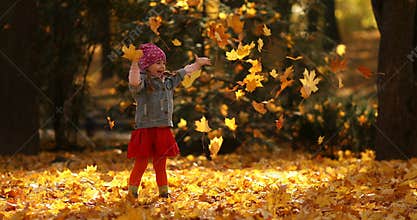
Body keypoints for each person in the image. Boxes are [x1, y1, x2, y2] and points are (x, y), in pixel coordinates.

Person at [126, 43, 211, 199]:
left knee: (160, 163)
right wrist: (135, 63)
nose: (162, 65)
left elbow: (184, 72)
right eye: (157, 62)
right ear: (147, 65)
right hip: (145, 126)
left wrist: (198, 64)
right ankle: (132, 191)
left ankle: (164, 191)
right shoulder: (143, 82)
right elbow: (134, 81)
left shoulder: (168, 81)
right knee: (141, 162)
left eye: (163, 62)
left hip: (162, 127)